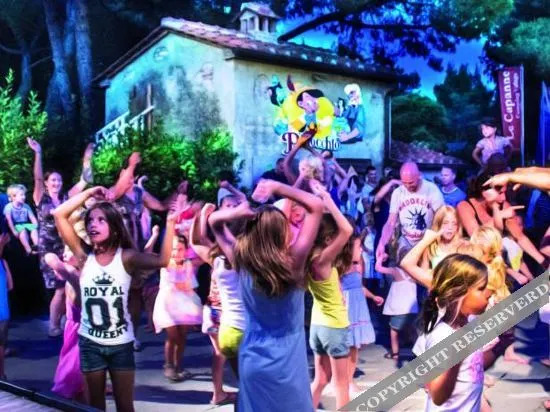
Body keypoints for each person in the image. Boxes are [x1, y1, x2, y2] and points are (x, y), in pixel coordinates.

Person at [52, 186, 177, 412]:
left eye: (101, 220)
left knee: (125, 406)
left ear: (115, 227)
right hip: (90, 344)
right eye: (90, 220)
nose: (93, 224)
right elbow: (59, 214)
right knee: (95, 406)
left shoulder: (126, 257)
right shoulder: (84, 256)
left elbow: (163, 260)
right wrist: (89, 193)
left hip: (120, 344)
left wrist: (170, 223)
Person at [208, 179, 323, 412]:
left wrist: (237, 212)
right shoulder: (294, 263)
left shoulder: (242, 262)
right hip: (288, 363)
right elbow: (316, 206)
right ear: (282, 233)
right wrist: (278, 187)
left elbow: (213, 222)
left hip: (253, 357)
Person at [412, 254, 500, 412]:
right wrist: (455, 360)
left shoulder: (471, 323)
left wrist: (501, 345)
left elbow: (473, 365)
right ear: (459, 294)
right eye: (481, 289)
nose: (488, 293)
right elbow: (438, 396)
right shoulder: (442, 336)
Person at [28, 138, 92, 337]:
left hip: (65, 247)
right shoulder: (41, 197)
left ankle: (64, 319)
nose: (56, 183)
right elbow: (37, 178)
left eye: (59, 180)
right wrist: (38, 153)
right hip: (48, 248)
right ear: (47, 184)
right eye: (53, 180)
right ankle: (54, 324)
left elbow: (85, 181)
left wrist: (87, 158)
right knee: (59, 285)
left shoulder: (66, 197)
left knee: (67, 286)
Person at [307, 180, 353, 410]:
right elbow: (347, 230)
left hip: (317, 326)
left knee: (321, 380)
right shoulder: (323, 260)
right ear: (327, 239)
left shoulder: (308, 256)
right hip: (333, 327)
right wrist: (327, 198)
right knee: (342, 385)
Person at [457, 171, 546, 269]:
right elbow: (475, 237)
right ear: (484, 192)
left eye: (504, 192)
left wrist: (543, 261)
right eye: (500, 193)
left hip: (495, 258)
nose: (503, 198)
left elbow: (520, 238)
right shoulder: (464, 206)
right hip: (471, 261)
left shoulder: (504, 205)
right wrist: (499, 217)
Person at [152, 235, 202, 382]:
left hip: (184, 304)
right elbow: (177, 283)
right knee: (173, 336)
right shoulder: (166, 264)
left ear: (186, 250)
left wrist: (194, 305)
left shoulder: (188, 264)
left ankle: (179, 365)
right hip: (168, 305)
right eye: (173, 249)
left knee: (182, 336)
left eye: (180, 249)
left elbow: (191, 285)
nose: (176, 252)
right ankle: (168, 365)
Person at [375, 162, 444, 265]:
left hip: (427, 241)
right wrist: (381, 244)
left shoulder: (431, 189)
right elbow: (390, 222)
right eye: (404, 183)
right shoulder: (398, 193)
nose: (407, 186)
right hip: (406, 241)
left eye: (411, 182)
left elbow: (442, 216)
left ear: (419, 176)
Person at [340, 232, 383, 394]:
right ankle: (344, 380)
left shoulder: (359, 265)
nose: (361, 250)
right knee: (347, 345)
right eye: (358, 246)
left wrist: (373, 296)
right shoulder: (340, 268)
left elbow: (359, 287)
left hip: (358, 309)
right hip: (347, 308)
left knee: (355, 345)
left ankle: (349, 379)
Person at [46, 249, 87, 402]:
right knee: (75, 360)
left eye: (69, 251)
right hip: (73, 326)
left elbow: (52, 260)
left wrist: (64, 267)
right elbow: (50, 258)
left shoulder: (75, 276)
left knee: (75, 361)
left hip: (80, 329)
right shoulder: (73, 273)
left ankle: (73, 389)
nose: (64, 254)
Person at [376, 249, 418, 363]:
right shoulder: (416, 272)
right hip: (412, 309)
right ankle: (418, 352)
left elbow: (378, 268)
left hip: (399, 309)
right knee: (412, 330)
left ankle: (395, 354)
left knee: (394, 331)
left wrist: (380, 258)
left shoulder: (396, 271)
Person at [3, 184, 39, 255]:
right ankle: (28, 250)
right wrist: (14, 231)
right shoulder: (9, 207)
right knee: (23, 231)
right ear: (14, 197)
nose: (24, 197)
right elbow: (9, 220)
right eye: (21, 195)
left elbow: (32, 217)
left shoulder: (26, 206)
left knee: (33, 229)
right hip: (16, 225)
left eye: (24, 195)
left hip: (25, 223)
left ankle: (37, 246)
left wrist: (36, 225)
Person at [0, 233, 12, 380]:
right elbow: (10, 286)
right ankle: (1, 375)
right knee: (1, 345)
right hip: (3, 313)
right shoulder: (4, 263)